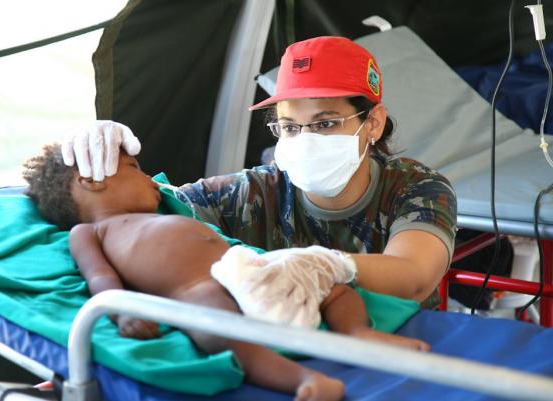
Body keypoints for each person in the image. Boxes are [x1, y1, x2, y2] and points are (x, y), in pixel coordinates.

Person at [62, 36, 457, 308]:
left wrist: (319, 265)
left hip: (400, 354)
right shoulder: (251, 193)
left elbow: (414, 275)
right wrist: (95, 163)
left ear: (372, 123)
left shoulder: (416, 188)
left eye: (325, 124)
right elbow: (142, 211)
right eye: (289, 127)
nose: (305, 140)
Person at [23, 144, 429, 401]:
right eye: (134, 167)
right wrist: (123, 311)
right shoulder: (89, 231)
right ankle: (305, 381)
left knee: (329, 282)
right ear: (91, 181)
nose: (150, 178)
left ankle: (357, 333)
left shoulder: (164, 207)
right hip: (193, 288)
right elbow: (100, 279)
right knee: (219, 329)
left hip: (248, 267)